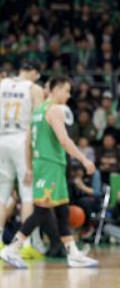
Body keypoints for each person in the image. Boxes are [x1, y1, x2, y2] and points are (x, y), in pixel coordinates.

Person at [0, 75, 98, 268]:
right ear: (56, 89)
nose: (68, 95)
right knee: (42, 211)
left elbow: (28, 143)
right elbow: (64, 140)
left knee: (62, 210)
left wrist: (29, 168)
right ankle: (13, 248)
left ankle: (73, 253)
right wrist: (84, 159)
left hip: (45, 165)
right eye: (66, 90)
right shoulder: (54, 110)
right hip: (50, 165)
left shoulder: (36, 111)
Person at [0, 60, 44, 252]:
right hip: (22, 140)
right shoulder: (34, 89)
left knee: (2, 195)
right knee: (27, 195)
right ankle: (24, 245)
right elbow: (39, 122)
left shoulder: (2, 84)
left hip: (2, 139)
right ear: (34, 72)